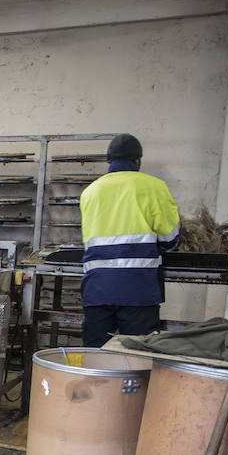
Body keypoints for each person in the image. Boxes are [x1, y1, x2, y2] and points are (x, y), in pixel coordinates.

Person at [78, 133, 180, 347]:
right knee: (138, 355)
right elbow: (170, 239)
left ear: (109, 161)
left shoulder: (90, 191)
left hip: (97, 289)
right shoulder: (154, 186)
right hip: (138, 288)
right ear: (137, 160)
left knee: (95, 355)